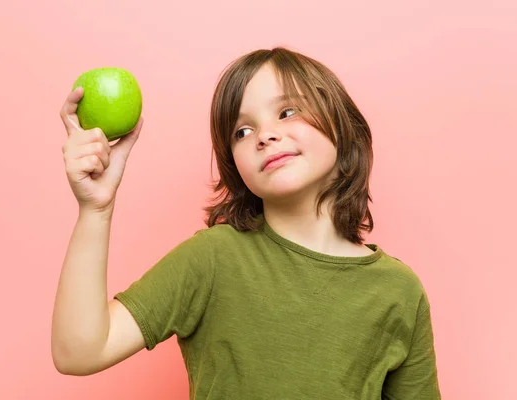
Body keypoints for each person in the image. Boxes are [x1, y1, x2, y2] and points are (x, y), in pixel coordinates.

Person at [51, 47, 441, 399]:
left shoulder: (399, 291)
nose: (265, 135)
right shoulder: (213, 258)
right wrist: (95, 209)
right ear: (235, 165)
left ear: (342, 125)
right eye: (243, 131)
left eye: (287, 112)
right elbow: (79, 352)